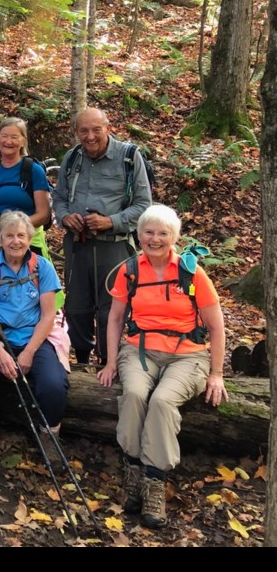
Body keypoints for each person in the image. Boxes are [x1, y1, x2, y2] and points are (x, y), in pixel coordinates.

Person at [97, 204, 227, 529]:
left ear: (174, 237)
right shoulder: (130, 270)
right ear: (138, 235)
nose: (155, 239)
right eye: (149, 232)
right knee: (136, 394)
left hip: (187, 354)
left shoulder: (190, 271)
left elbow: (216, 325)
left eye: (163, 233)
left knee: (162, 400)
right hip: (140, 350)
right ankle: (132, 469)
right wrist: (111, 361)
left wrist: (217, 373)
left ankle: (154, 481)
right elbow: (114, 319)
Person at [0, 211, 67, 463]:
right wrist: (0, 353)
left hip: (35, 338)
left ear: (29, 238)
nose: (15, 241)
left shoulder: (42, 267)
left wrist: (29, 352)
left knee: (54, 384)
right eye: (9, 235)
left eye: (21, 235)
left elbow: (48, 315)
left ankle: (49, 433)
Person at [52, 108, 152, 364]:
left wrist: (110, 222)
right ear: (76, 132)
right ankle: (82, 360)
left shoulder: (129, 157)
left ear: (108, 127)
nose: (90, 136)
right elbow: (59, 197)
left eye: (96, 129)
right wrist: (65, 217)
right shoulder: (72, 157)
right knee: (76, 308)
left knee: (112, 310)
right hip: (78, 245)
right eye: (83, 130)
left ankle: (109, 362)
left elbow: (143, 205)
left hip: (115, 247)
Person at [0, 117, 52, 266]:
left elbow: (43, 214)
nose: (8, 141)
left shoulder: (33, 170)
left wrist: (11, 227)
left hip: (25, 247)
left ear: (23, 141)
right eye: (4, 136)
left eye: (14, 137)